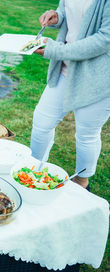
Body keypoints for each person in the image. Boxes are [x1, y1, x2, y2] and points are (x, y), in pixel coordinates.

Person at [31, 0, 110, 190]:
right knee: (41, 122)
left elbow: (104, 39)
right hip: (64, 69)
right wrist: (57, 17)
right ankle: (33, 172)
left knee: (87, 134)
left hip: (98, 77)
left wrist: (56, 50)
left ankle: (82, 182)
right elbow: (68, 12)